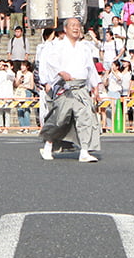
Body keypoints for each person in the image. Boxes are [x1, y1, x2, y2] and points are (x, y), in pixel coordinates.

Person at [38, 17, 102, 162]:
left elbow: (90, 68)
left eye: (78, 25)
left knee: (85, 119)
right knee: (60, 119)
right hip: (65, 88)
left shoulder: (85, 47)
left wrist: (95, 86)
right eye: (73, 25)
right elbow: (51, 62)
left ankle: (84, 151)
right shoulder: (57, 46)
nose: (76, 28)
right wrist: (60, 72)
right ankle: (48, 145)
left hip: (81, 87)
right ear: (65, 29)